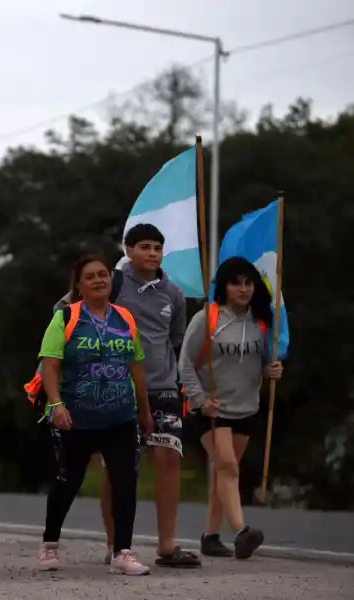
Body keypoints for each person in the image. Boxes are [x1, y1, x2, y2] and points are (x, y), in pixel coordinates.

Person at [52, 224, 197, 567]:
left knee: (169, 459)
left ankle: (167, 544)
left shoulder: (173, 293)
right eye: (144, 246)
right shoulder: (112, 282)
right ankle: (114, 543)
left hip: (163, 387)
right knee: (118, 467)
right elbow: (64, 312)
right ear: (128, 250)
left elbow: (175, 338)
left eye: (157, 247)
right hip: (115, 389)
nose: (152, 253)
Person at [37, 252, 154, 575]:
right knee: (68, 481)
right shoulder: (66, 317)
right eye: (90, 276)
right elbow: (50, 365)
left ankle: (122, 552)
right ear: (79, 284)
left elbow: (136, 367)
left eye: (103, 274)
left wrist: (144, 411)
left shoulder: (125, 318)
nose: (99, 280)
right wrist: (56, 404)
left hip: (120, 416)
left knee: (125, 482)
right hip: (77, 417)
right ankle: (49, 543)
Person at [179, 256, 283, 559]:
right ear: (224, 287)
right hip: (212, 409)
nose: (244, 289)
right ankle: (241, 532)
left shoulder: (259, 321)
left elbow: (257, 363)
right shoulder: (207, 318)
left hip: (246, 408)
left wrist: (269, 370)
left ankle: (210, 537)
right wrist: (200, 400)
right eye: (236, 283)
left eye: (248, 283)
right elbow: (184, 363)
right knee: (228, 467)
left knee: (223, 474)